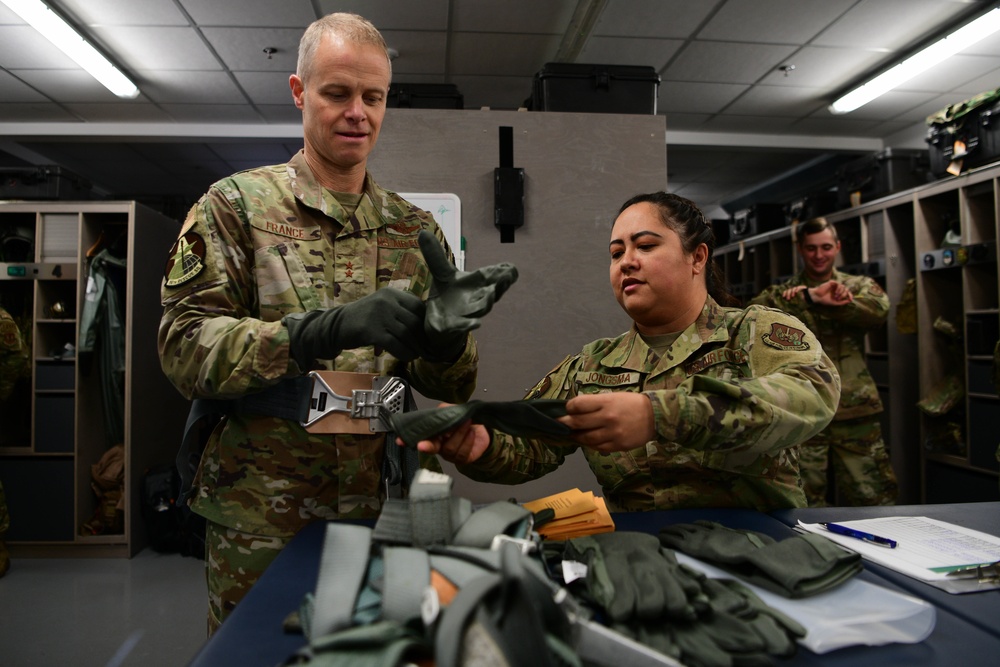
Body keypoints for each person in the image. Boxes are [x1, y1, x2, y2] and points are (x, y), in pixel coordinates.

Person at [158, 13, 514, 633]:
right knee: (262, 650)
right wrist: (315, 333)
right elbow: (184, 348)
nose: (358, 112)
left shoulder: (415, 230)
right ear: (300, 92)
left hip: (381, 503)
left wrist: (448, 339)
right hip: (263, 509)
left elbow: (453, 385)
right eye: (337, 93)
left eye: (373, 97)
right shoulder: (236, 206)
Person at [409, 192, 841, 512]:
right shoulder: (594, 365)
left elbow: (809, 397)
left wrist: (661, 415)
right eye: (617, 253)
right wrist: (482, 446)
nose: (626, 262)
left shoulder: (753, 332)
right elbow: (532, 447)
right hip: (639, 559)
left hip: (759, 549)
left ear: (698, 257)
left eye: (646, 246)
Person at [750, 217, 898, 507]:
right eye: (811, 248)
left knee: (872, 494)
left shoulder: (857, 286)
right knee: (804, 495)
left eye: (826, 247)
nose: (819, 255)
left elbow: (878, 312)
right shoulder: (786, 293)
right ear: (801, 250)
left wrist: (842, 303)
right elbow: (754, 317)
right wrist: (809, 299)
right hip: (804, 406)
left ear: (838, 247)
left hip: (854, 406)